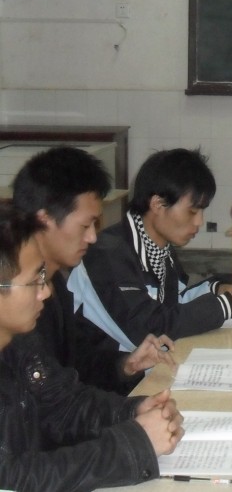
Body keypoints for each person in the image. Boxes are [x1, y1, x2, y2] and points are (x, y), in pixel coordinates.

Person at [0, 203, 184, 491]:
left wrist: (132, 411)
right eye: (34, 281)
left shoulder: (18, 340)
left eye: (43, 277)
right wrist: (136, 444)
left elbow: (64, 405)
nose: (45, 291)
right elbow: (12, 478)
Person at [69, 148, 232, 355]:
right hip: (107, 372)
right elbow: (147, 330)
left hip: (147, 366)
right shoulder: (108, 254)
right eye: (192, 212)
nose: (199, 222)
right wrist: (226, 307)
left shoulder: (161, 248)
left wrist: (218, 290)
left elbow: (174, 304)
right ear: (158, 204)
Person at [12, 146, 175, 393]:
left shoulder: (56, 285)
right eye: (85, 225)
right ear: (45, 220)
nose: (92, 237)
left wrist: (126, 365)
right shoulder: (15, 300)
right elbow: (49, 402)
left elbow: (78, 364)